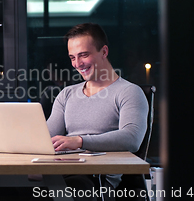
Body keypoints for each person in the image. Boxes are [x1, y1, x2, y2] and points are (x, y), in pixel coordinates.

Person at [46, 23, 148, 201]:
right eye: (72, 57)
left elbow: (132, 139)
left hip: (97, 180)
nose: (77, 64)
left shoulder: (129, 92)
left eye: (84, 55)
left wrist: (79, 141)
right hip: (62, 171)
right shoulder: (66, 94)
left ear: (104, 52)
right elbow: (45, 137)